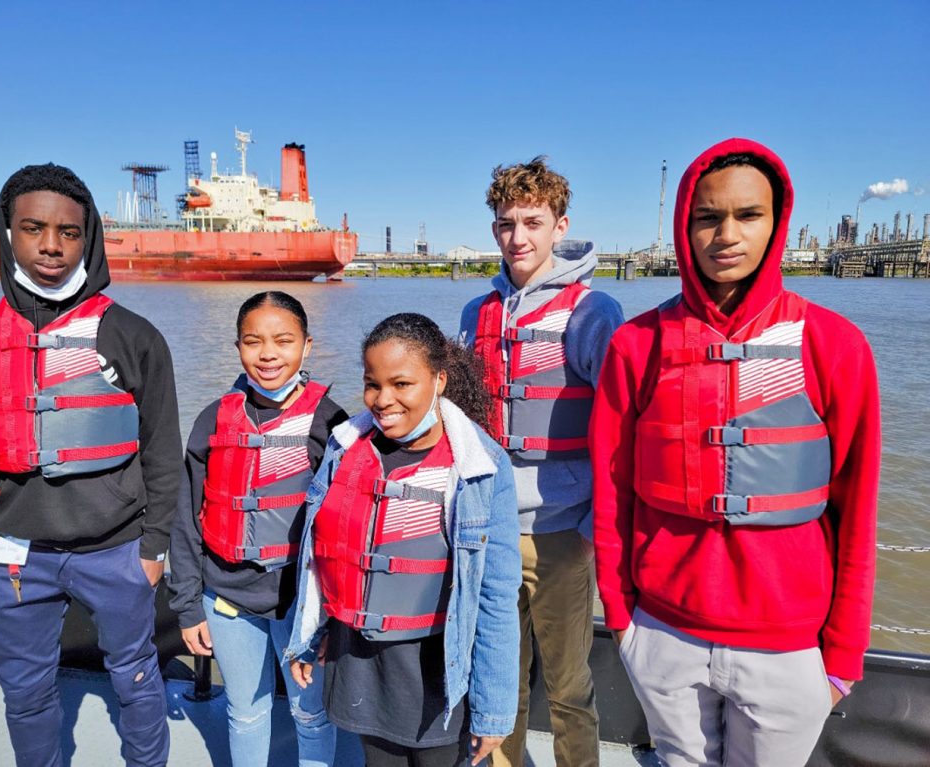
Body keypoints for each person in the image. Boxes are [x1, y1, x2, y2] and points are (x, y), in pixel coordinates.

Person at [591, 137, 881, 766]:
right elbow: (611, 492)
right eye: (707, 216)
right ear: (684, 225)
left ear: (777, 223)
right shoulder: (635, 347)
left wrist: (843, 656)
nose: (727, 234)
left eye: (748, 215)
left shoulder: (835, 345)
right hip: (663, 636)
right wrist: (621, 618)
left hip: (789, 649)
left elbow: (857, 510)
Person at [0, 163, 182, 766]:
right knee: (25, 697)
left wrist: (153, 552)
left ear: (89, 237)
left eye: (69, 232)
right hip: (13, 560)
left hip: (119, 554)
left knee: (136, 681)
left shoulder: (135, 337)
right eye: (34, 228)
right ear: (8, 234)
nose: (51, 245)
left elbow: (162, 455)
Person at [286, 313, 521, 767]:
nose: (383, 399)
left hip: (436, 675)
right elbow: (320, 561)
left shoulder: (481, 466)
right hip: (361, 666)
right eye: (372, 384)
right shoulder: (344, 449)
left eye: (402, 384)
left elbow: (495, 596)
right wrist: (310, 634)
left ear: (439, 379)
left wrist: (493, 709)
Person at [458, 156, 624, 767]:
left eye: (533, 221)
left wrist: (592, 528)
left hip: (561, 535)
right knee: (498, 686)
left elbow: (621, 430)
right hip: (492, 530)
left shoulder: (594, 312)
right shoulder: (475, 313)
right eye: (506, 223)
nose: (518, 237)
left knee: (569, 688)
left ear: (561, 225)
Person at [168, 290, 346, 766]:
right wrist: (187, 606)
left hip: (302, 604)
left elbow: (347, 526)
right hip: (227, 598)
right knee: (244, 712)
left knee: (311, 713)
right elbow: (185, 518)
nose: (268, 354)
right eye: (253, 341)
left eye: (283, 341)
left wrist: (334, 615)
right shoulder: (212, 420)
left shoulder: (332, 424)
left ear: (307, 346)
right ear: (238, 347)